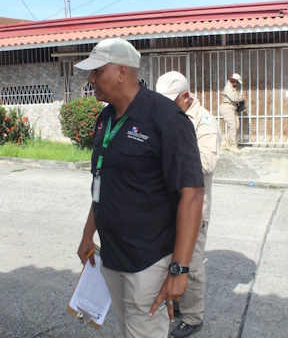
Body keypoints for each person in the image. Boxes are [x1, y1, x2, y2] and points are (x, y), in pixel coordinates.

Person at [75, 38, 205, 338]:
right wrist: (87, 235)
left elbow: (193, 194)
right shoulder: (106, 118)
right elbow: (102, 184)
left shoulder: (166, 118)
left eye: (97, 71)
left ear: (122, 72)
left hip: (149, 263)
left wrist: (179, 269)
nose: (90, 78)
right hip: (112, 256)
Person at [155, 71, 221, 338]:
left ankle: (193, 317)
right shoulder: (167, 115)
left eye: (170, 101)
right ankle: (179, 304)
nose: (165, 107)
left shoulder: (204, 121)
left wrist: (170, 153)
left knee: (190, 264)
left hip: (194, 207)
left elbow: (207, 162)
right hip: (168, 206)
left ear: (186, 96)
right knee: (171, 259)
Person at [220, 73, 244, 154]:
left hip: (233, 107)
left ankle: (226, 142)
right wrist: (241, 98)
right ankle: (233, 146)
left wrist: (239, 97)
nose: (237, 84)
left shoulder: (232, 88)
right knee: (233, 126)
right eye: (237, 82)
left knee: (236, 125)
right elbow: (234, 98)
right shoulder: (228, 88)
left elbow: (236, 97)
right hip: (227, 107)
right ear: (234, 81)